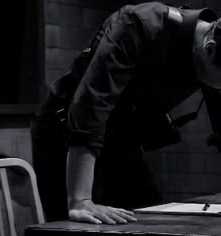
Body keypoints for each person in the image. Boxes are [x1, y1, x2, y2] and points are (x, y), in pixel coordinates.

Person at [31, 1, 221, 225]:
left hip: (120, 137)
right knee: (78, 223)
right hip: (64, 136)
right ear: (209, 49)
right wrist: (80, 199)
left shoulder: (213, 48)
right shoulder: (138, 25)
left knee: (148, 216)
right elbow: (90, 107)